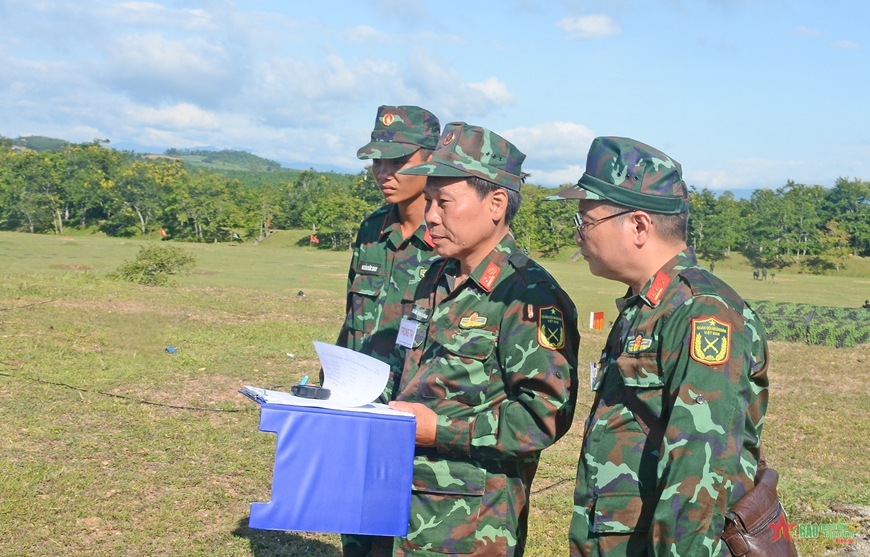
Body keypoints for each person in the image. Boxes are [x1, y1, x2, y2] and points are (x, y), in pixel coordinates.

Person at [547, 137, 769, 557]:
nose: (578, 237)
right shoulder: (648, 304)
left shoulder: (702, 312)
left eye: (586, 223)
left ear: (639, 226)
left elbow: (699, 470)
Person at [382, 122, 580, 556]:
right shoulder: (434, 277)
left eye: (444, 202)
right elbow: (406, 374)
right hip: (398, 501)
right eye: (429, 200)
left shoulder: (528, 296)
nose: (431, 215)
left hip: (468, 527)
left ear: (495, 204)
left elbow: (542, 418)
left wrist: (440, 430)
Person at [338, 105, 442, 557]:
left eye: (398, 161)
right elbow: (352, 320)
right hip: (359, 409)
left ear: (432, 160)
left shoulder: (451, 239)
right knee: (358, 534)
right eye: (377, 160)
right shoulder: (372, 230)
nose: (384, 171)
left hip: (416, 420)